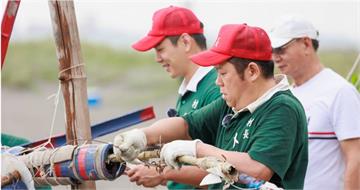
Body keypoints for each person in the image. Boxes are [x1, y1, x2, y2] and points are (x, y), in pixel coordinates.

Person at [114, 23, 308, 189]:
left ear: (252, 71)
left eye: (223, 73)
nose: (217, 82)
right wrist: (142, 135)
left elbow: (257, 169)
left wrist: (197, 149)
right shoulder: (231, 103)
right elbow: (186, 125)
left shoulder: (282, 109)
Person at [127, 6, 221, 189]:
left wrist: (161, 173)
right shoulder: (188, 88)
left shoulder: (216, 89)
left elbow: (225, 168)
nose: (157, 58)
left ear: (186, 42)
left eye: (160, 49)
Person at [270, 16, 360, 190]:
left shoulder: (340, 91)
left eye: (281, 49)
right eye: (272, 51)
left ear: (306, 44)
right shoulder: (287, 96)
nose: (276, 57)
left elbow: (356, 158)